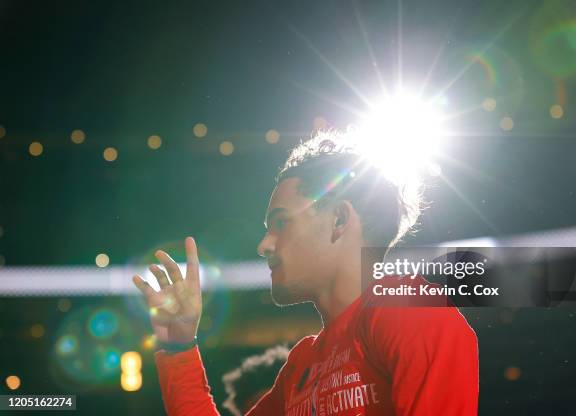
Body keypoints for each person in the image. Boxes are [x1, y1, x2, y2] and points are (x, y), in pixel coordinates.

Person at [133, 131, 479, 415]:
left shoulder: (415, 315)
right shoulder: (303, 365)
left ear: (339, 220)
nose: (264, 245)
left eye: (281, 223)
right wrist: (178, 347)